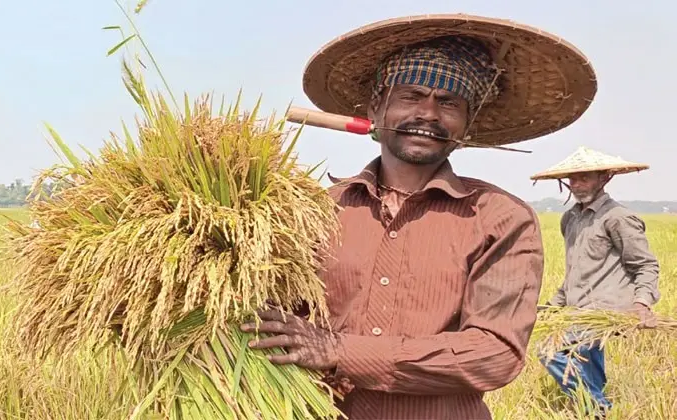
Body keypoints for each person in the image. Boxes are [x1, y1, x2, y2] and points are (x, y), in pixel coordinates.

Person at [239, 14, 598, 419]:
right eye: (411, 95)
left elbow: (493, 354)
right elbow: (273, 319)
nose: (428, 113)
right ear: (378, 106)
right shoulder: (316, 210)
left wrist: (340, 351)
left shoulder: (500, 219)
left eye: (448, 102)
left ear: (467, 122)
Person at [530, 146, 660, 416]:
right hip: (579, 311)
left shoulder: (618, 218)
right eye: (572, 179)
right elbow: (575, 273)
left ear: (604, 178)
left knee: (549, 350)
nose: (576, 184)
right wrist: (551, 306)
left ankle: (598, 409)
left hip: (605, 311)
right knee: (589, 368)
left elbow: (645, 265)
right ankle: (594, 408)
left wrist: (642, 303)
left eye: (584, 177)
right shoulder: (570, 218)